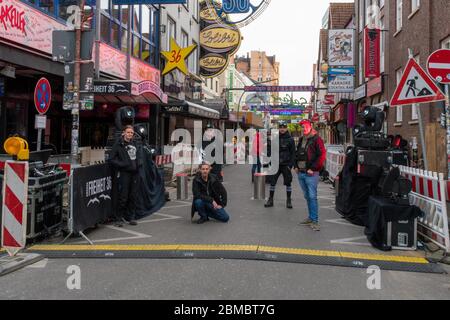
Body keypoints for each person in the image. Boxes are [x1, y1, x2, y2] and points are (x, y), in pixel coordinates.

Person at [295, 120, 326, 231]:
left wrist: (313, 168)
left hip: (311, 174)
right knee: (307, 196)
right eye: (302, 127)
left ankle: (315, 221)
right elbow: (297, 153)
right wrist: (295, 166)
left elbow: (322, 155)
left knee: (312, 197)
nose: (303, 129)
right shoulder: (301, 139)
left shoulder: (317, 139)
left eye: (305, 127)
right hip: (301, 173)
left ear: (310, 126)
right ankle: (310, 218)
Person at [110, 125, 142, 226]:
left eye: (131, 133)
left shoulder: (135, 143)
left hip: (135, 173)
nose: (130, 134)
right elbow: (111, 159)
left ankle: (130, 217)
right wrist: (122, 164)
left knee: (133, 196)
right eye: (128, 132)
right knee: (123, 196)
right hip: (124, 173)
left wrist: (139, 163)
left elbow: (139, 156)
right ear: (124, 133)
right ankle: (118, 218)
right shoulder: (118, 144)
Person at [265, 121, 296, 209]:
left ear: (286, 128)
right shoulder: (275, 138)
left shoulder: (290, 139)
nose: (282, 129)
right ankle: (270, 200)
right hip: (276, 165)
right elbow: (270, 151)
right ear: (279, 128)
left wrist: (290, 165)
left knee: (288, 183)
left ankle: (288, 200)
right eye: (281, 127)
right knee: (272, 182)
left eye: (284, 127)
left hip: (286, 165)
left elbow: (293, 153)